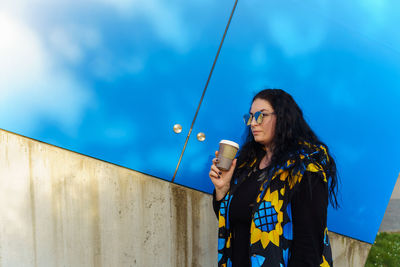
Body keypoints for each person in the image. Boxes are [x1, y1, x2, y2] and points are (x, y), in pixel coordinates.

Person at [209, 89, 339, 267]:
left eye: (261, 116)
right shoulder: (248, 165)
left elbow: (309, 247)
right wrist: (222, 190)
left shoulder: (304, 171)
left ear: (284, 118)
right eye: (251, 116)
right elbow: (235, 221)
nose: (253, 123)